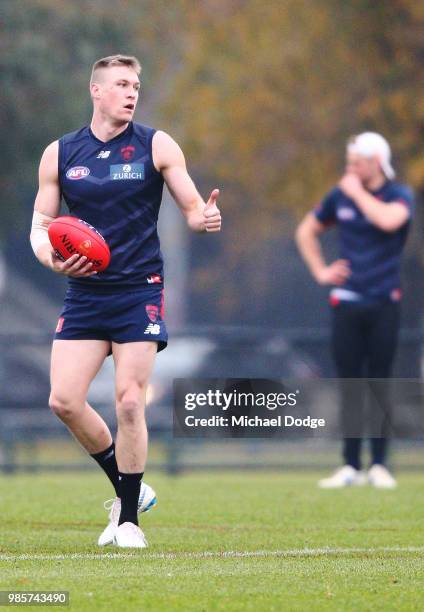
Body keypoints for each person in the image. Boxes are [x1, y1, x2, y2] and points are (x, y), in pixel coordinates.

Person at [30, 55, 222, 547]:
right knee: (64, 400)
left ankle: (129, 519)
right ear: (96, 91)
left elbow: (192, 207)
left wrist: (204, 218)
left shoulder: (156, 144)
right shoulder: (60, 152)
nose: (131, 92)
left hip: (140, 290)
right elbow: (41, 228)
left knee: (130, 401)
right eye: (120, 84)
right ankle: (127, 487)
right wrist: (53, 260)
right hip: (85, 293)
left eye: (136, 84)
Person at [295, 132, 414, 489]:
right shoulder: (339, 196)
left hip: (384, 302)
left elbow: (389, 221)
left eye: (355, 164)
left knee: (379, 381)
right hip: (346, 301)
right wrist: (321, 271)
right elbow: (306, 231)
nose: (349, 170)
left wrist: (356, 192)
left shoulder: (398, 194)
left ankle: (379, 464)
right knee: (349, 383)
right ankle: (349, 464)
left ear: (375, 162)